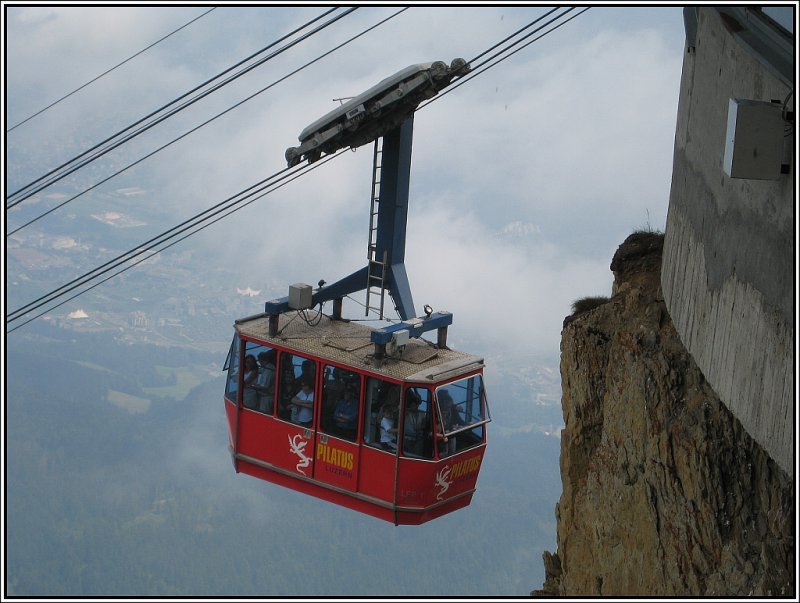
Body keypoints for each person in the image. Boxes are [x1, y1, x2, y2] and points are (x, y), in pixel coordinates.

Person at [436, 389, 465, 456]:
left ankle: (451, 455)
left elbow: (460, 422)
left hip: (449, 436)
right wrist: (443, 435)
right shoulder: (436, 414)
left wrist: (467, 424)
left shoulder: (452, 411)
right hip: (439, 440)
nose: (446, 408)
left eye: (448, 404)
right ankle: (448, 455)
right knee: (451, 438)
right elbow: (432, 433)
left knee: (453, 437)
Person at [255, 350, 277, 414]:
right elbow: (259, 370)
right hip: (266, 395)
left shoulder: (269, 370)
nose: (259, 363)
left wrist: (253, 386)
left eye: (259, 361)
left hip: (267, 397)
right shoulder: (267, 367)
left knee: (263, 414)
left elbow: (265, 386)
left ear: (263, 360)